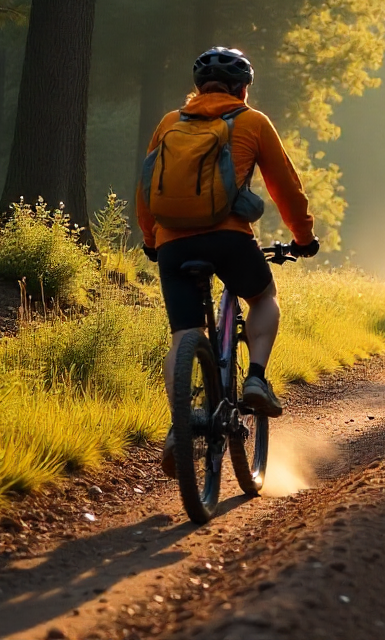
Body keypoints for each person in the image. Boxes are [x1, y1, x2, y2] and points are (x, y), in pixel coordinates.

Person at [136, 47, 319, 475]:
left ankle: (179, 428)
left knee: (183, 336)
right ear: (243, 88)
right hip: (230, 238)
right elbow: (284, 186)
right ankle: (255, 377)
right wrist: (303, 238)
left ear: (199, 87)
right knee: (264, 296)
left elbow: (146, 187)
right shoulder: (253, 122)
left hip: (173, 245)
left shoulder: (169, 123)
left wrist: (151, 240)